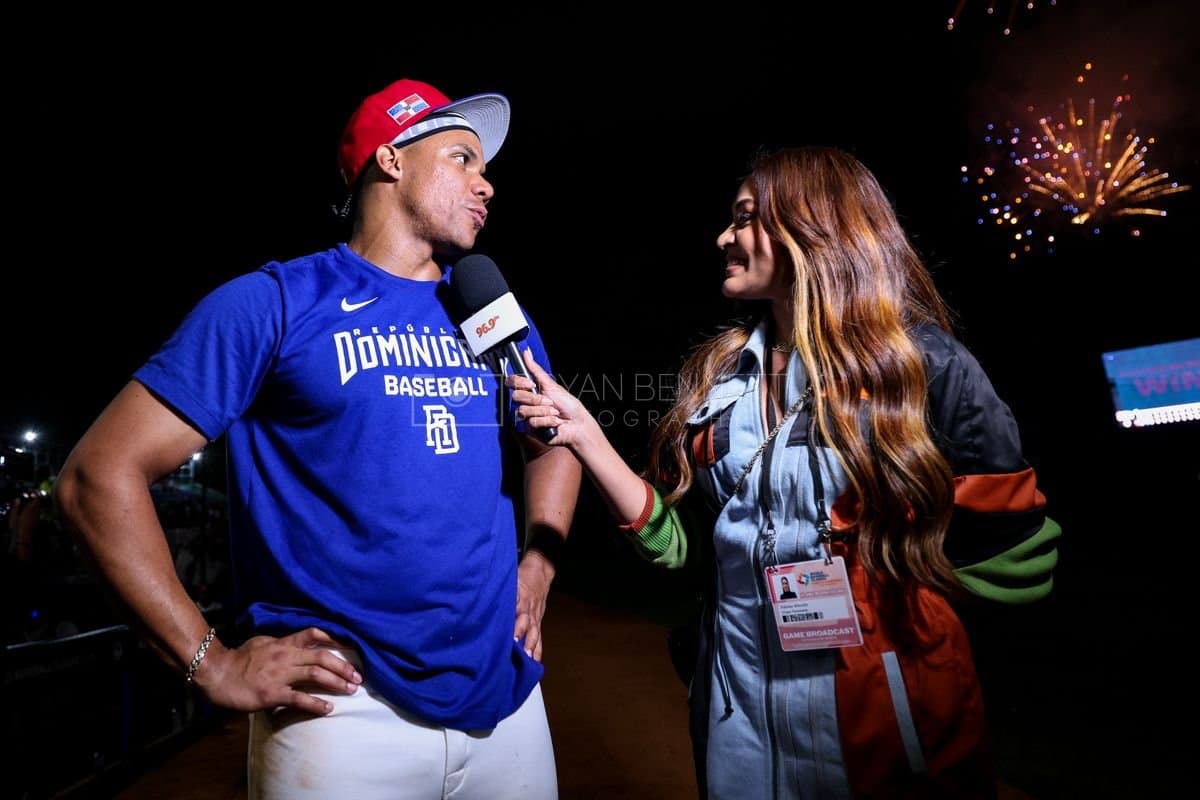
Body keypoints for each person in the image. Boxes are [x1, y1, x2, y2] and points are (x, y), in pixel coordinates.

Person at [55, 78, 581, 799]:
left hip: (506, 700)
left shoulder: (487, 309)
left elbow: (553, 439)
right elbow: (96, 477)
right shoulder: (273, 303)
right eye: (462, 158)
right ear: (391, 160)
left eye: (484, 168)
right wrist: (211, 662)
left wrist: (540, 568)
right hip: (341, 712)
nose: (485, 184)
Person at [508, 146, 1060, 799]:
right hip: (738, 722)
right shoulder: (721, 376)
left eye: (744, 218)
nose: (723, 237)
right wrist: (587, 437)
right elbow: (687, 546)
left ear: (810, 224)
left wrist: (889, 615)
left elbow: (1020, 558)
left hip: (884, 731)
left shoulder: (921, 366)